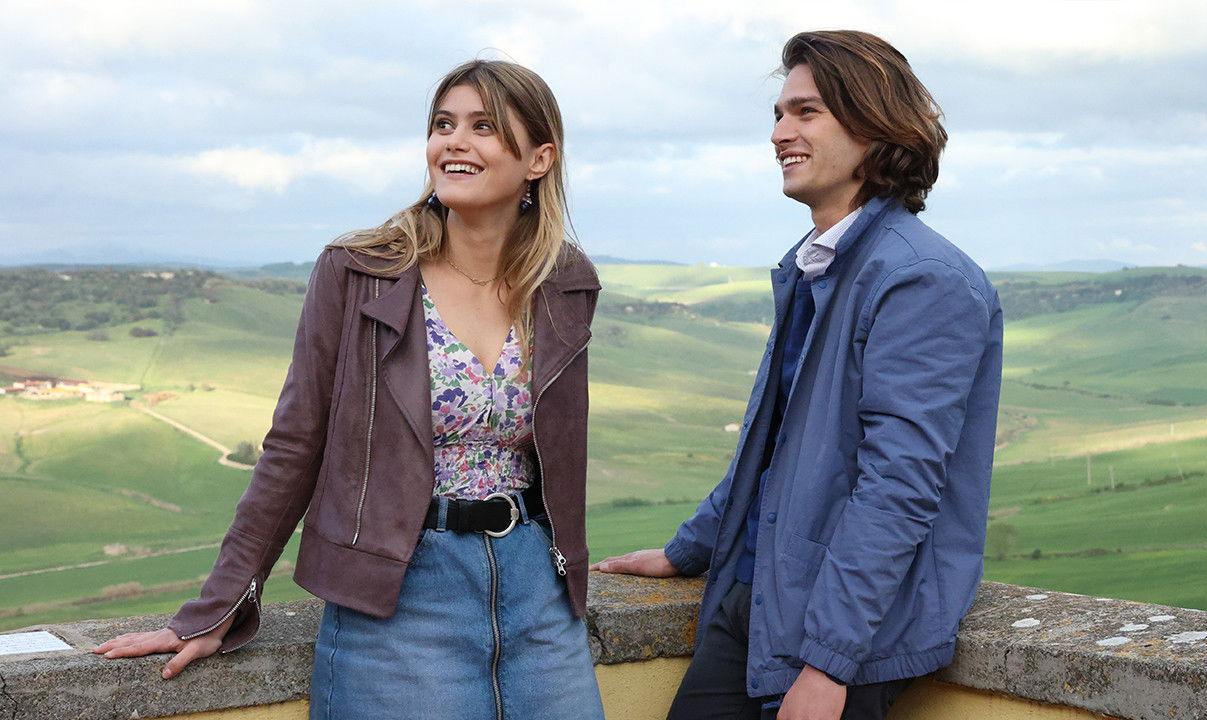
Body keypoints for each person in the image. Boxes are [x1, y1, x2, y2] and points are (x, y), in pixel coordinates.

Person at [94, 59, 606, 720]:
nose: (454, 141)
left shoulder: (565, 282)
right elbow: (295, 441)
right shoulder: (362, 271)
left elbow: (563, 451)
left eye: (483, 127)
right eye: (443, 124)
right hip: (398, 595)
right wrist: (220, 604)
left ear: (539, 158)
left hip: (540, 595)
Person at [592, 30, 1003, 720]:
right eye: (779, 114)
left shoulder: (921, 278)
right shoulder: (818, 265)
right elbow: (780, 449)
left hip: (839, 630)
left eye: (806, 112)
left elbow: (898, 484)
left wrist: (829, 662)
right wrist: (689, 548)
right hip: (761, 598)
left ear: (874, 126)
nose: (780, 132)